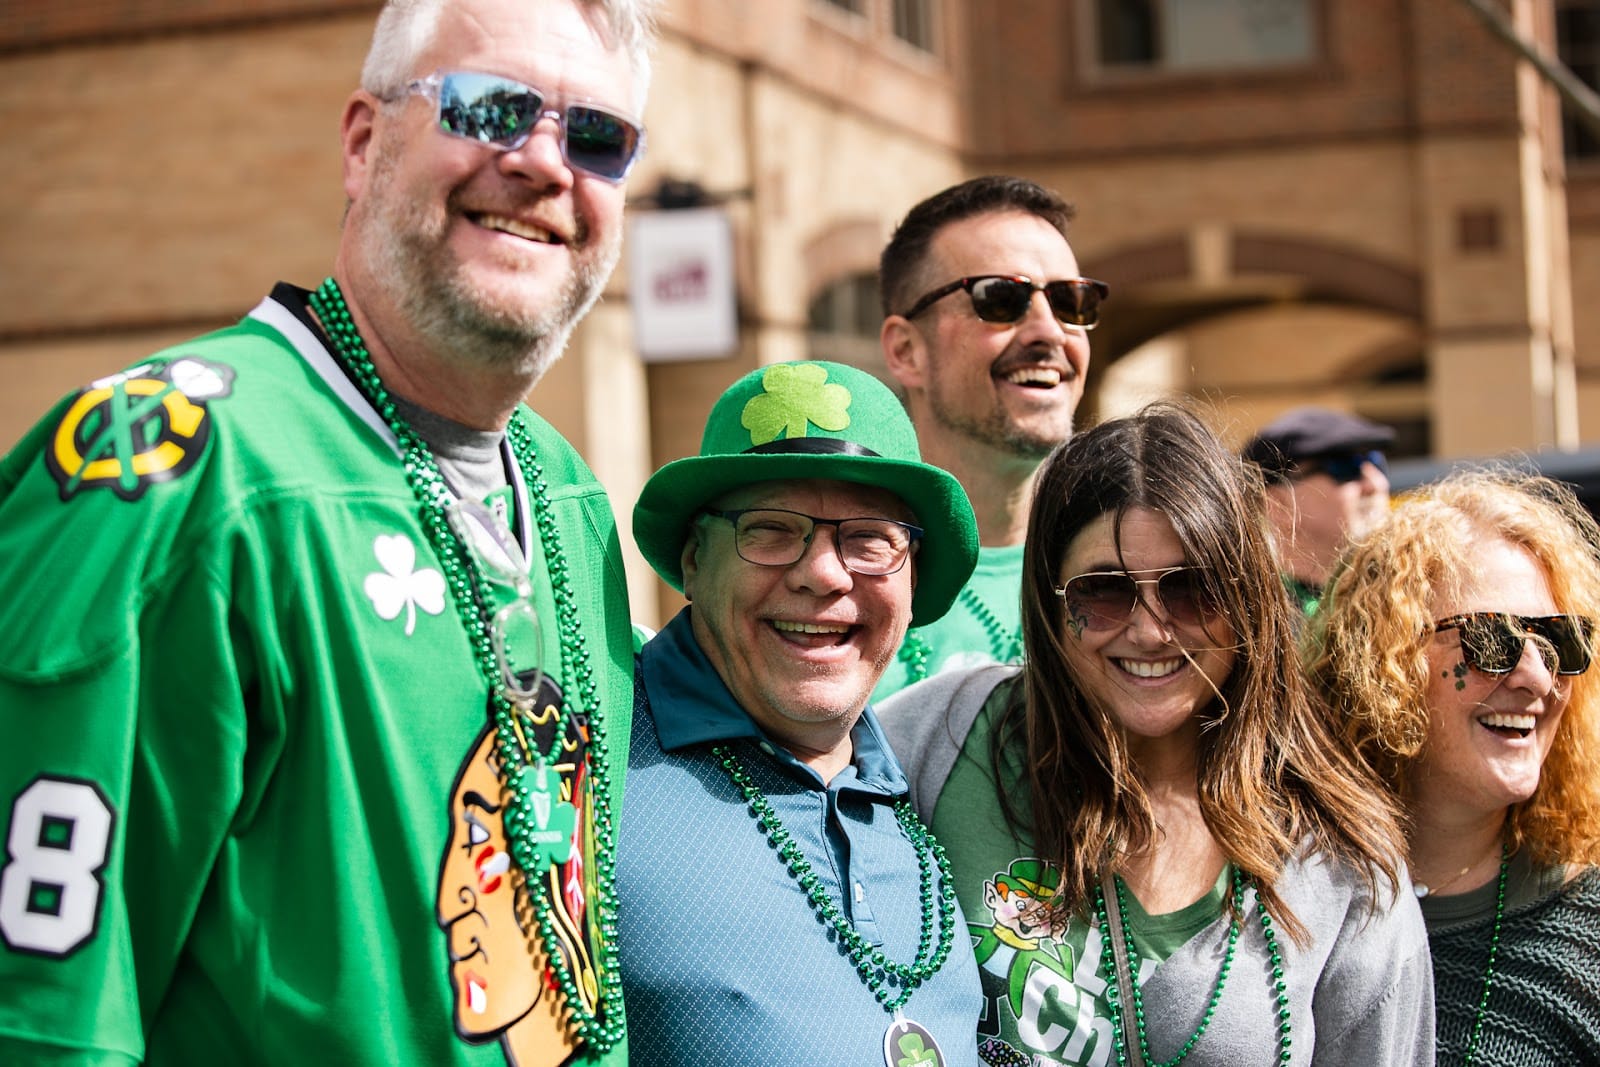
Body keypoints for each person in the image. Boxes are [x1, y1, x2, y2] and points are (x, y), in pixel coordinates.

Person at [0, 1, 657, 1063]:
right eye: (490, 108)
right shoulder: (171, 471)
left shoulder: (569, 496)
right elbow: (40, 1017)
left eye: (597, 136)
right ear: (364, 141)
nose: (544, 163)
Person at [880, 402, 1435, 1066]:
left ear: (1248, 599)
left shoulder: (1343, 863)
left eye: (1192, 589)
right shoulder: (938, 737)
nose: (1149, 631)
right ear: (1051, 601)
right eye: (1103, 592)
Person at [620, 359, 984, 1066]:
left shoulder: (929, 789)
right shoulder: (592, 762)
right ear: (693, 560)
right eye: (770, 530)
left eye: (869, 538)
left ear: (913, 577)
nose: (823, 573)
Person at [1306, 469, 1600, 1063]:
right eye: (1490, 639)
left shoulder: (1587, 937)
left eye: (1558, 641)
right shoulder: (1280, 902)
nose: (1537, 678)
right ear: (1382, 662)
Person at [873, 175, 1108, 697]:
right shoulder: (840, 580)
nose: (1049, 331)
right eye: (1002, 298)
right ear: (906, 351)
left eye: (1071, 302)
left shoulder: (1133, 574)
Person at [1240, 406, 1394, 618]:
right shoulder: (1254, 617)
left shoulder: (1412, 595)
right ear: (1278, 505)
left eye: (1377, 462)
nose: (1377, 484)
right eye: (1347, 467)